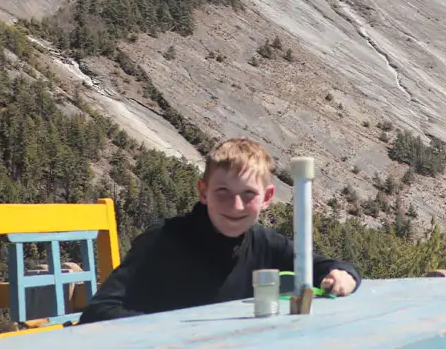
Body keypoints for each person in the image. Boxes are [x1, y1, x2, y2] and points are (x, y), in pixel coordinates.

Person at [80, 137, 360, 322]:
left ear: (267, 198)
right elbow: (98, 312)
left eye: (249, 194)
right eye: (223, 191)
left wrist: (345, 275)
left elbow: (328, 267)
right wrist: (171, 330)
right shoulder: (163, 240)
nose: (236, 205)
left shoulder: (264, 243)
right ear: (203, 191)